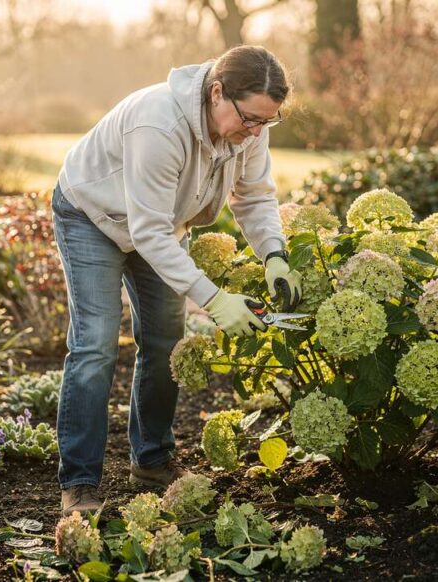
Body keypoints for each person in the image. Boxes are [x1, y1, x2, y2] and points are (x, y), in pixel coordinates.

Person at [51, 45, 302, 516]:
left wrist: (275, 255)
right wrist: (213, 298)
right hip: (92, 215)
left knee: (166, 338)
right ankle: (80, 482)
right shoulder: (159, 123)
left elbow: (255, 197)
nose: (254, 133)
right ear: (215, 93)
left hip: (160, 225)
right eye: (249, 119)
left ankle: (151, 459)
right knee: (97, 343)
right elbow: (147, 231)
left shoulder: (250, 127)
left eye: (266, 123)